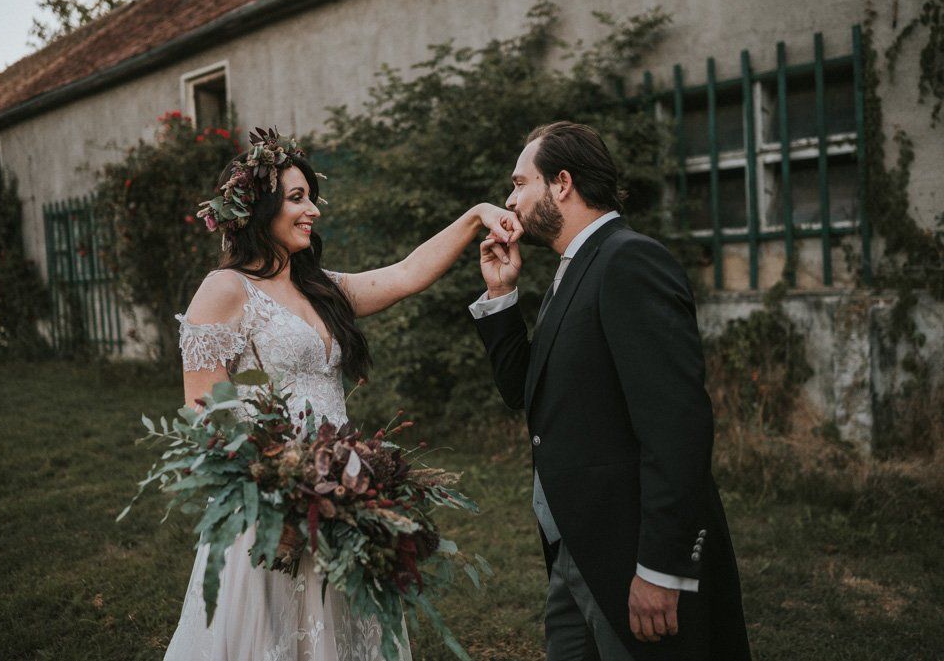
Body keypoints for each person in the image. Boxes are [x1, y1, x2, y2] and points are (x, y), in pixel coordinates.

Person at [164, 128, 521, 661]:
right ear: (258, 208)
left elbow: (406, 273)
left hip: (343, 488)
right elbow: (203, 412)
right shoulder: (225, 289)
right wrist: (274, 505)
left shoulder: (321, 288)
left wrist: (476, 217)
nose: (313, 210)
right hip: (274, 501)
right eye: (297, 198)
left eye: (312, 197)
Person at [470, 121, 751, 660]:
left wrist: (661, 568)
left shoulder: (628, 261)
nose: (510, 199)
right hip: (574, 545)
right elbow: (526, 392)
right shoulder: (573, 268)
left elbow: (678, 427)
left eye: (519, 183)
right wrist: (501, 294)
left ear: (562, 183)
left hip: (627, 552)